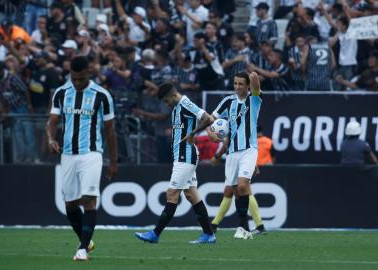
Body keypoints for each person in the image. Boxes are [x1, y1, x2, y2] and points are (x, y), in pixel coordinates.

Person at [46, 56, 118, 261]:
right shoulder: (61, 93)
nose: (77, 83)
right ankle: (87, 240)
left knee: (88, 200)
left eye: (81, 78)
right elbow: (52, 121)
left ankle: (82, 249)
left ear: (89, 72)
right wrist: (51, 139)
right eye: (74, 78)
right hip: (67, 154)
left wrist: (113, 162)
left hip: (92, 153)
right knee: (70, 205)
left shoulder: (102, 95)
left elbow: (110, 130)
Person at [134, 82, 216, 244]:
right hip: (182, 156)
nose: (165, 104)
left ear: (172, 95)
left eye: (165, 101)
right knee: (191, 195)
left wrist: (193, 133)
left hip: (186, 156)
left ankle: (155, 234)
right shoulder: (177, 107)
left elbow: (208, 118)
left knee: (171, 194)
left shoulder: (185, 103)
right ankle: (208, 234)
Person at [208, 72, 265, 239]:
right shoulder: (228, 101)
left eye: (241, 84)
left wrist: (253, 75)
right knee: (234, 191)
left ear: (247, 86)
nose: (237, 87)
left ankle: (244, 227)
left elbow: (256, 85)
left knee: (242, 186)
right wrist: (210, 132)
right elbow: (211, 119)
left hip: (249, 150)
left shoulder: (254, 100)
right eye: (235, 83)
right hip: (232, 153)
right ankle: (244, 228)